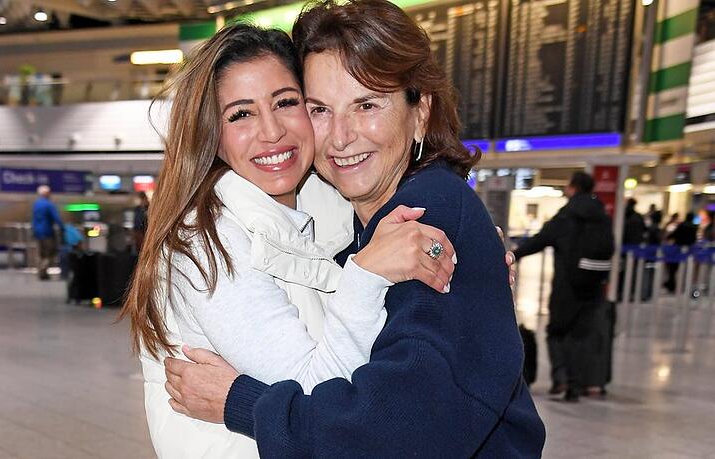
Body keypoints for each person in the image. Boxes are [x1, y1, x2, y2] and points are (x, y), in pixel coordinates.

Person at [163, 2, 545, 456]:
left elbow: (395, 434)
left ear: (420, 110)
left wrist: (238, 401)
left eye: (366, 105)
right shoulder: (356, 226)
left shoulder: (425, 216)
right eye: (320, 109)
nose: (341, 137)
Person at [121, 23, 464, 459]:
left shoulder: (331, 211)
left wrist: (463, 260)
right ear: (212, 134)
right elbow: (318, 392)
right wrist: (366, 274)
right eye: (240, 114)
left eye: (286, 102)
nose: (272, 132)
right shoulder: (207, 245)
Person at [512, 171, 613, 402]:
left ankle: (562, 379)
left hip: (567, 285)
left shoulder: (568, 214)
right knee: (580, 336)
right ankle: (577, 384)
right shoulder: (601, 215)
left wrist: (512, 255)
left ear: (573, 188)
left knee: (556, 332)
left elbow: (541, 240)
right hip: (594, 286)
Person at [32, 185, 63, 280]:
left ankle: (41, 271)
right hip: (47, 232)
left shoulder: (36, 204)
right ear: (46, 193)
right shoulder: (49, 204)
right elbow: (56, 218)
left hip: (37, 232)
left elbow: (34, 219)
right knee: (50, 252)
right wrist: (62, 228)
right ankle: (43, 270)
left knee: (40, 253)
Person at [664, 212, 698, 293]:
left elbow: (674, 234)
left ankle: (671, 285)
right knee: (687, 269)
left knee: (673, 268)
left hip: (677, 249)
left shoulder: (682, 225)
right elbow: (694, 239)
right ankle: (684, 286)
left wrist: (667, 238)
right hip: (689, 250)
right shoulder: (694, 227)